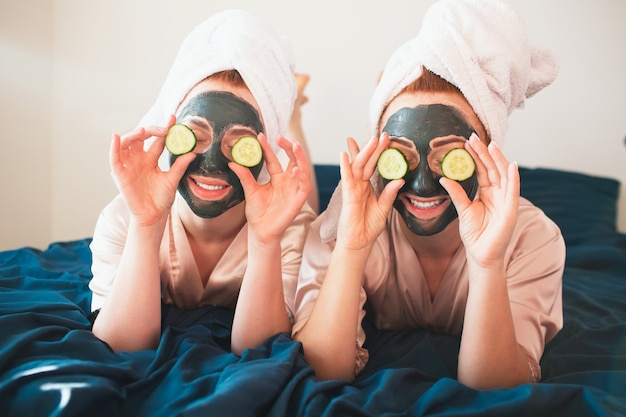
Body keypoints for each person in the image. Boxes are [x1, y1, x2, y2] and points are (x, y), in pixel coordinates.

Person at [292, 0, 564, 389]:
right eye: (401, 157)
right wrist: (351, 249)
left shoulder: (533, 239)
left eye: (451, 157)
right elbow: (320, 369)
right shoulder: (343, 228)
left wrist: (487, 264)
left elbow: (495, 388)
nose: (421, 186)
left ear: (489, 150)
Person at [88, 9, 316, 355]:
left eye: (241, 145)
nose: (211, 165)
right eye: (193, 136)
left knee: (303, 190)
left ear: (264, 146)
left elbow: (260, 350)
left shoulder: (293, 230)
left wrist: (267, 240)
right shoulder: (122, 218)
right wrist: (147, 225)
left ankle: (293, 114)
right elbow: (121, 344)